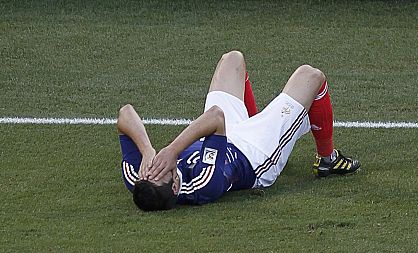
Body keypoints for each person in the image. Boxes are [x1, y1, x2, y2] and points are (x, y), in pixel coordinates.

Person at [116, 50, 360, 211]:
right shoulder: (204, 185)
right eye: (164, 170)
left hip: (223, 135)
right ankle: (328, 159)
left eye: (149, 171)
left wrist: (147, 151)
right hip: (256, 154)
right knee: (310, 76)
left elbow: (125, 113)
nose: (157, 165)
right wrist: (171, 151)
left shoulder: (139, 179)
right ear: (176, 187)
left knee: (232, 59)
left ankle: (256, 118)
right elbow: (215, 118)